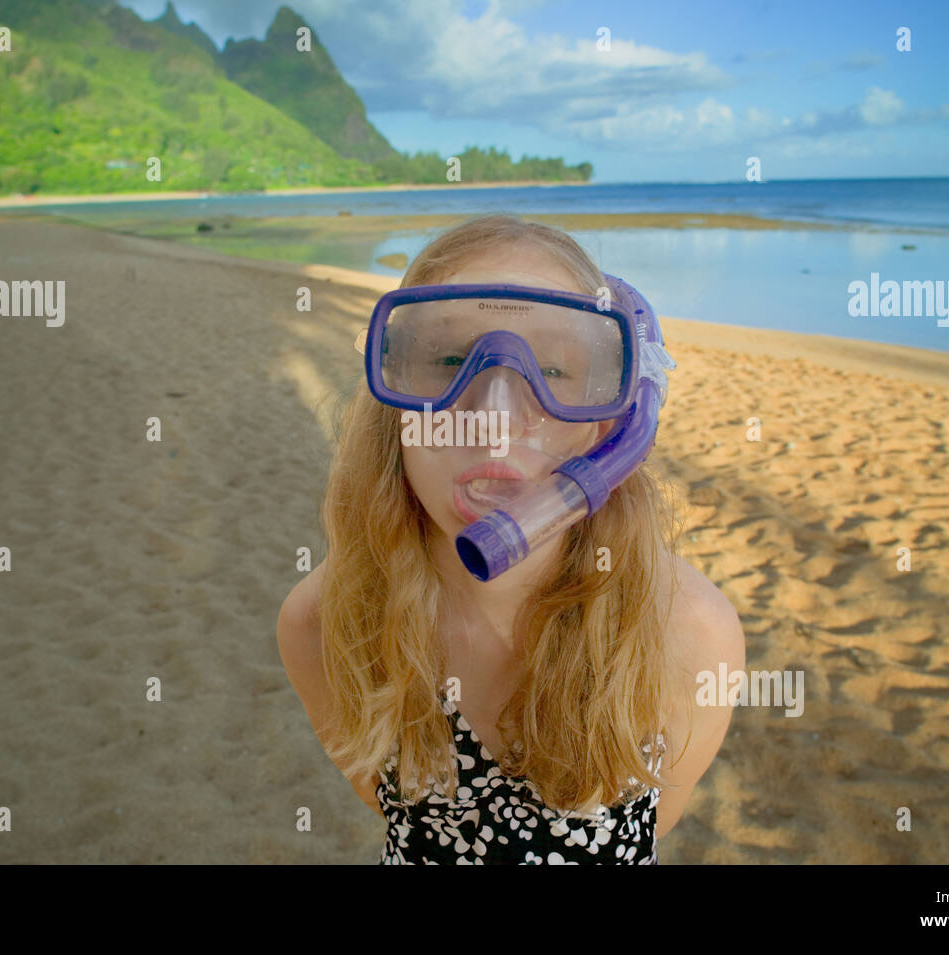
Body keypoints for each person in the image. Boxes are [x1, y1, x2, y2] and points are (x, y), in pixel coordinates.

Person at [278, 213, 745, 864]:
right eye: (446, 360)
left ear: (617, 421)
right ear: (394, 405)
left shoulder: (688, 633)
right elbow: (376, 793)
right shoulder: (325, 623)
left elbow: (659, 816)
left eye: (552, 371)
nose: (495, 421)